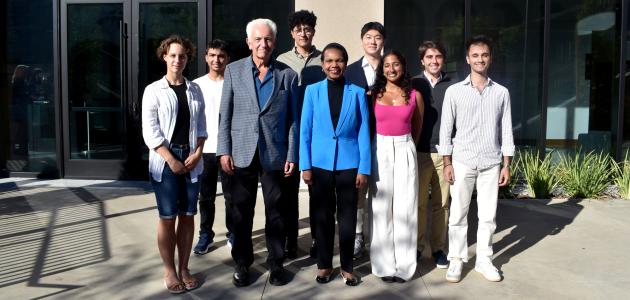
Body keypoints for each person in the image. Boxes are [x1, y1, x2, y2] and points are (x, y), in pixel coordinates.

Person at [217, 18, 299, 287]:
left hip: (275, 154)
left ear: (274, 43)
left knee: (277, 212)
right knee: (241, 211)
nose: (263, 44)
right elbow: (225, 116)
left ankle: (276, 264)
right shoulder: (233, 71)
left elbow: (292, 120)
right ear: (248, 42)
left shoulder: (287, 75)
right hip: (241, 152)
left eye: (268, 39)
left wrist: (292, 154)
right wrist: (223, 150)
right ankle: (242, 263)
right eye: (258, 39)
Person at [439, 35, 514, 283]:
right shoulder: (454, 92)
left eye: (484, 55)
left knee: (488, 215)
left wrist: (506, 164)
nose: (480, 59)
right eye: (475, 55)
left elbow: (506, 130)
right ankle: (457, 260)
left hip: (491, 162)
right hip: (462, 161)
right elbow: (446, 130)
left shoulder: (501, 93)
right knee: (458, 214)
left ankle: (484, 259)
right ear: (467, 59)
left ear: (490, 58)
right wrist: (447, 162)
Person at [300, 43, 370, 286]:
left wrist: (364, 168)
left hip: (350, 164)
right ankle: (324, 265)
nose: (334, 65)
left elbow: (363, 132)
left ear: (345, 63)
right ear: (322, 65)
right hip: (319, 164)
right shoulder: (312, 91)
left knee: (348, 217)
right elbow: (305, 131)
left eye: (339, 60)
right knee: (322, 217)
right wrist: (305, 165)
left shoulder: (358, 92)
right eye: (329, 61)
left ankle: (348, 267)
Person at [141, 35, 206, 294]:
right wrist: (171, 159)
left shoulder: (195, 89)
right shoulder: (153, 90)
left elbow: (202, 127)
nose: (178, 60)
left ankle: (185, 267)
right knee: (167, 217)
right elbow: (150, 132)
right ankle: (169, 270)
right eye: (173, 55)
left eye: (183, 55)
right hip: (166, 161)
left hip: (191, 160)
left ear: (188, 58)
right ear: (164, 57)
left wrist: (198, 152)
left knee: (188, 216)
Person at [369, 50, 424, 283]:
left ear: (403, 66)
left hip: (404, 147)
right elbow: (369, 126)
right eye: (387, 65)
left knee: (405, 208)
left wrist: (407, 148)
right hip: (380, 148)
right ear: (382, 70)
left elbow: (417, 127)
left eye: (396, 64)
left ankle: (405, 266)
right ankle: (383, 265)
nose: (391, 69)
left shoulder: (414, 95)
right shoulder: (374, 94)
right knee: (381, 208)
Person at [276, 9, 325, 259]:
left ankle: (318, 240)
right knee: (288, 191)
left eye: (307, 29)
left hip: (317, 134)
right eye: (298, 29)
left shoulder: (324, 60)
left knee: (316, 190)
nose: (303, 33)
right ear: (292, 33)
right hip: (289, 132)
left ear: (313, 31)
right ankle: (290, 241)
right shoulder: (282, 60)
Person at [412, 41, 456, 268]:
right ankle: (418, 247)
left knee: (442, 204)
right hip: (419, 152)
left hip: (445, 154)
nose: (434, 61)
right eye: (429, 57)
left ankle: (438, 248)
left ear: (443, 59)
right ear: (422, 60)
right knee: (418, 203)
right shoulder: (414, 84)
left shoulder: (454, 85)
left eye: (438, 56)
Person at [344, 21, 386, 258]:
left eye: (377, 37)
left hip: (383, 137)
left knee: (381, 190)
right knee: (358, 190)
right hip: (357, 138)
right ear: (362, 40)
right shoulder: (350, 71)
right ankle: (358, 234)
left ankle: (379, 236)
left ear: (383, 41)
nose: (373, 41)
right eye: (368, 37)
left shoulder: (391, 68)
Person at [192, 39, 233, 255]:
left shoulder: (233, 82)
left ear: (228, 59)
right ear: (206, 57)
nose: (216, 59)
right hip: (205, 148)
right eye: (212, 55)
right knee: (205, 196)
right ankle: (205, 235)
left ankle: (233, 232)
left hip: (228, 149)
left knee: (231, 196)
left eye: (221, 56)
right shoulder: (196, 85)